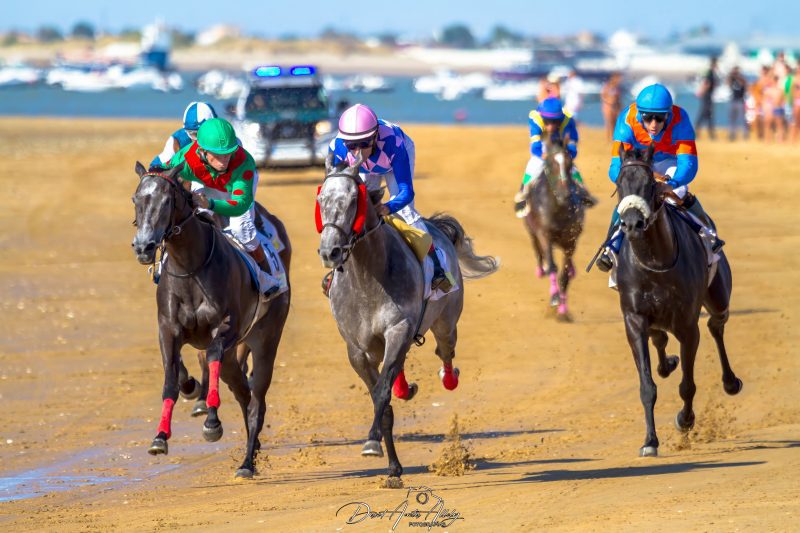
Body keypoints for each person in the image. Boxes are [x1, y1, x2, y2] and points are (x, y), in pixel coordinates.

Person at [595, 83, 724, 272]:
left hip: (670, 163)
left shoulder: (681, 120)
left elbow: (688, 164)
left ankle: (707, 235)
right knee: (630, 198)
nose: (653, 125)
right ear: (640, 114)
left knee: (679, 193)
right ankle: (610, 248)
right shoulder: (627, 120)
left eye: (659, 118)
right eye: (648, 118)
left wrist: (671, 184)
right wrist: (633, 183)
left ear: (669, 115)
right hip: (640, 164)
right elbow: (615, 167)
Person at [328, 103, 453, 293]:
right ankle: (336, 269)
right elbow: (337, 190)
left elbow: (406, 192)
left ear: (375, 135)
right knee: (350, 211)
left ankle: (438, 267)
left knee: (406, 212)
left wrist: (388, 207)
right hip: (364, 169)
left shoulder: (394, 143)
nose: (357, 151)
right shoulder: (337, 148)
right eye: (352, 145)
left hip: (392, 162)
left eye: (364, 144)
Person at [165, 117, 281, 295]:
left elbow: (240, 205)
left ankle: (267, 278)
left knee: (242, 230)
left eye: (228, 153)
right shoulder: (185, 159)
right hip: (207, 183)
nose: (224, 160)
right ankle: (163, 267)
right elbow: (164, 176)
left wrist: (210, 203)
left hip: (236, 190)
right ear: (202, 151)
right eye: (218, 155)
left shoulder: (244, 162)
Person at [513, 97, 596, 218]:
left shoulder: (568, 120)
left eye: (555, 122)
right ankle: (523, 193)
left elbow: (573, 145)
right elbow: (535, 147)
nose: (551, 126)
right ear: (542, 118)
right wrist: (544, 156)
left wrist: (567, 157)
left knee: (572, 169)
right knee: (533, 165)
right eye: (547, 121)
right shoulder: (535, 120)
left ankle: (583, 191)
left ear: (560, 119)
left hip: (560, 146)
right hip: (543, 146)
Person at [151, 101, 217, 169]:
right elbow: (156, 167)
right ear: (186, 132)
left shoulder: (225, 138)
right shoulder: (178, 141)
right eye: (194, 134)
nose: (199, 141)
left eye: (204, 134)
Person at [695, 57, 718, 140]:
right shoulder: (710, 73)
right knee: (703, 115)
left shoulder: (712, 73)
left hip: (708, 97)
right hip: (707, 97)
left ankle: (711, 135)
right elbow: (706, 83)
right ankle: (698, 133)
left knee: (709, 116)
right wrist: (701, 92)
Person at [727, 66, 748, 141]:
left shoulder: (742, 78)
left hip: (740, 101)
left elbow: (744, 84)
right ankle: (732, 134)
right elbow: (728, 83)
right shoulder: (732, 79)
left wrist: (738, 77)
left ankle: (745, 134)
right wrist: (731, 75)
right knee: (732, 118)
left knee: (742, 118)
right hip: (733, 100)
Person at [601, 72, 623, 141]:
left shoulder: (617, 88)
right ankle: (608, 138)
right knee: (609, 122)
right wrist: (608, 102)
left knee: (615, 122)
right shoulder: (607, 86)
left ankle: (614, 137)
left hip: (615, 106)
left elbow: (618, 98)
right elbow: (603, 96)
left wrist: (619, 105)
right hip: (608, 106)